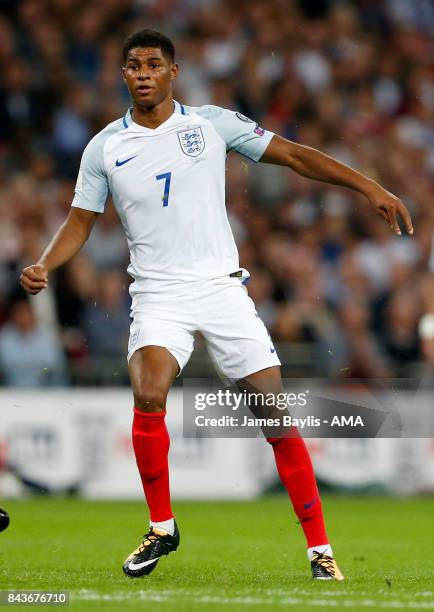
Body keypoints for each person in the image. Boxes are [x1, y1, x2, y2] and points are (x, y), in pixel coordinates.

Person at [20, 29, 413, 581]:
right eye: (132, 65)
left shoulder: (210, 123)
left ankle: (319, 550)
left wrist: (368, 186)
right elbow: (80, 221)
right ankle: (162, 527)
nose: (142, 74)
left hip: (221, 288)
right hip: (157, 294)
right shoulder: (103, 147)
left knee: (273, 414)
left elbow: (297, 157)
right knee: (148, 388)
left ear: (173, 72)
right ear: (123, 75)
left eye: (153, 64)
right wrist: (45, 264)